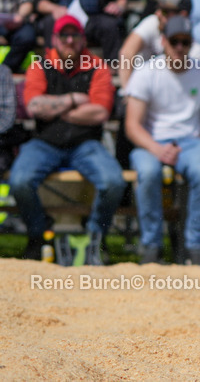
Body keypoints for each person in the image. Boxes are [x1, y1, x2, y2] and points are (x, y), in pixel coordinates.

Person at [9, 15, 123, 263]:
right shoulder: (40, 64)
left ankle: (95, 238)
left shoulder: (97, 66)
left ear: (83, 38)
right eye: (64, 35)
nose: (69, 40)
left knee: (114, 182)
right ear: (54, 39)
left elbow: (101, 112)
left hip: (86, 144)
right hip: (44, 142)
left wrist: (56, 110)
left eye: (74, 35)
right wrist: (74, 101)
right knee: (19, 181)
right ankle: (39, 235)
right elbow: (34, 107)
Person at [124, 16, 200, 265]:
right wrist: (156, 148)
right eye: (174, 41)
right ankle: (151, 248)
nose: (179, 47)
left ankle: (195, 249)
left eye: (185, 42)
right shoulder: (146, 72)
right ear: (163, 41)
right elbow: (132, 125)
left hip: (191, 142)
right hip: (151, 141)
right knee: (147, 172)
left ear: (191, 44)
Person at [117, 0, 200, 89]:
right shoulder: (153, 22)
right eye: (158, 8)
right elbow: (126, 54)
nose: (157, 14)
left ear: (182, 15)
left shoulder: (195, 51)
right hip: (140, 91)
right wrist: (128, 93)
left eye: (164, 11)